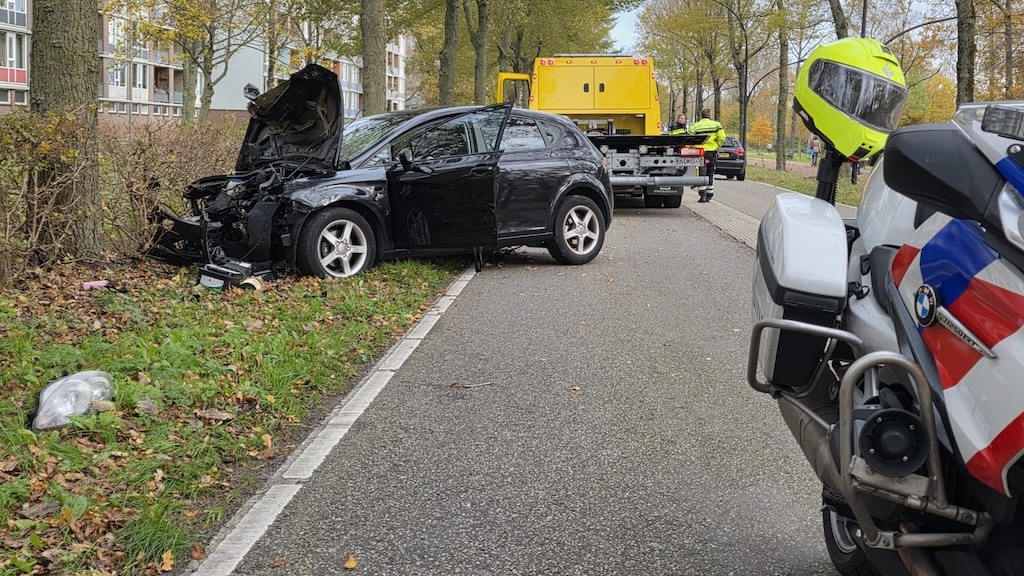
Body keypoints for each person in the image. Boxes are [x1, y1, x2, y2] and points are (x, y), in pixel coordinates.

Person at [687, 108, 726, 203]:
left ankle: (702, 195)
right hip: (712, 151)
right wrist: (717, 145)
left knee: (702, 173)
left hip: (700, 152)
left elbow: (689, 137)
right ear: (710, 115)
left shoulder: (695, 126)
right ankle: (709, 194)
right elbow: (722, 137)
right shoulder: (716, 125)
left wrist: (693, 146)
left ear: (701, 116)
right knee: (710, 173)